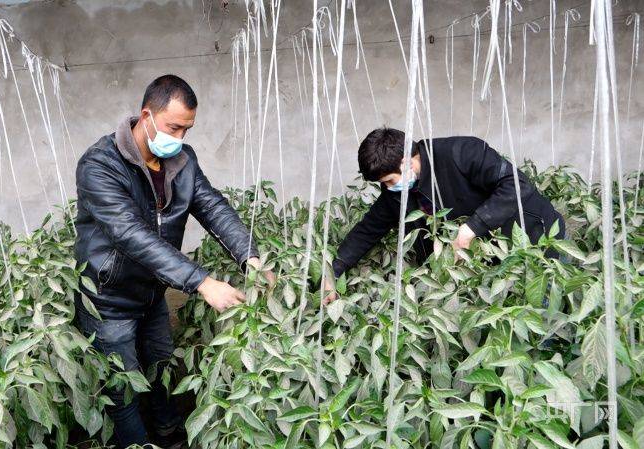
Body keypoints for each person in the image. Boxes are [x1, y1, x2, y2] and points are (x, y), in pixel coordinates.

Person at [73, 74, 273, 448]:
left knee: (161, 368)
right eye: (173, 127)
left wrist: (251, 257)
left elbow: (211, 206)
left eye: (187, 130)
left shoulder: (182, 160)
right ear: (146, 115)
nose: (179, 139)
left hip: (152, 294)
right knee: (122, 386)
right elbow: (131, 234)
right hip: (108, 300)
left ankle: (170, 435)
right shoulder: (99, 166)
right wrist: (201, 281)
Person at [324, 127, 565, 304]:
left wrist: (472, 227)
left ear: (406, 161)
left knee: (547, 312)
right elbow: (367, 231)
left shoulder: (461, 152)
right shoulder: (397, 193)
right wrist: (333, 273)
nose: (387, 188)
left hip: (538, 241)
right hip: (493, 264)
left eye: (389, 181)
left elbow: (516, 185)